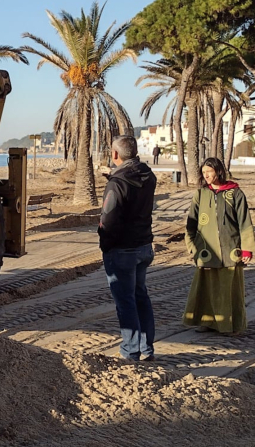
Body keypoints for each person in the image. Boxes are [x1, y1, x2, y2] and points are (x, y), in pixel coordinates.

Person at [98, 134, 158, 361]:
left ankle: (130, 351)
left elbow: (109, 219)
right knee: (140, 295)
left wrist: (105, 244)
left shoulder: (118, 182)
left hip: (122, 249)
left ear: (115, 154)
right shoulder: (148, 175)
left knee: (126, 301)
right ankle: (146, 348)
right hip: (144, 245)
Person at [183, 157, 255, 335]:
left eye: (209, 171)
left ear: (219, 171)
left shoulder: (236, 193)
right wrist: (192, 247)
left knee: (229, 290)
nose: (206, 175)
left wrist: (247, 248)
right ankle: (206, 322)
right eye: (204, 172)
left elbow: (244, 222)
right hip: (206, 251)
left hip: (230, 250)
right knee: (206, 288)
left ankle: (232, 325)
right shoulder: (200, 194)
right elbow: (191, 224)